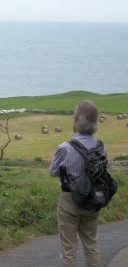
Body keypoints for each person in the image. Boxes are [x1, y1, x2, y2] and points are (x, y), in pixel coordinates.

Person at [50, 100, 104, 267]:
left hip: (70, 200)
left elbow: (53, 171)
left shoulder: (65, 148)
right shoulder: (101, 147)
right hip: (93, 200)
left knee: (69, 248)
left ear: (76, 120)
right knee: (91, 245)